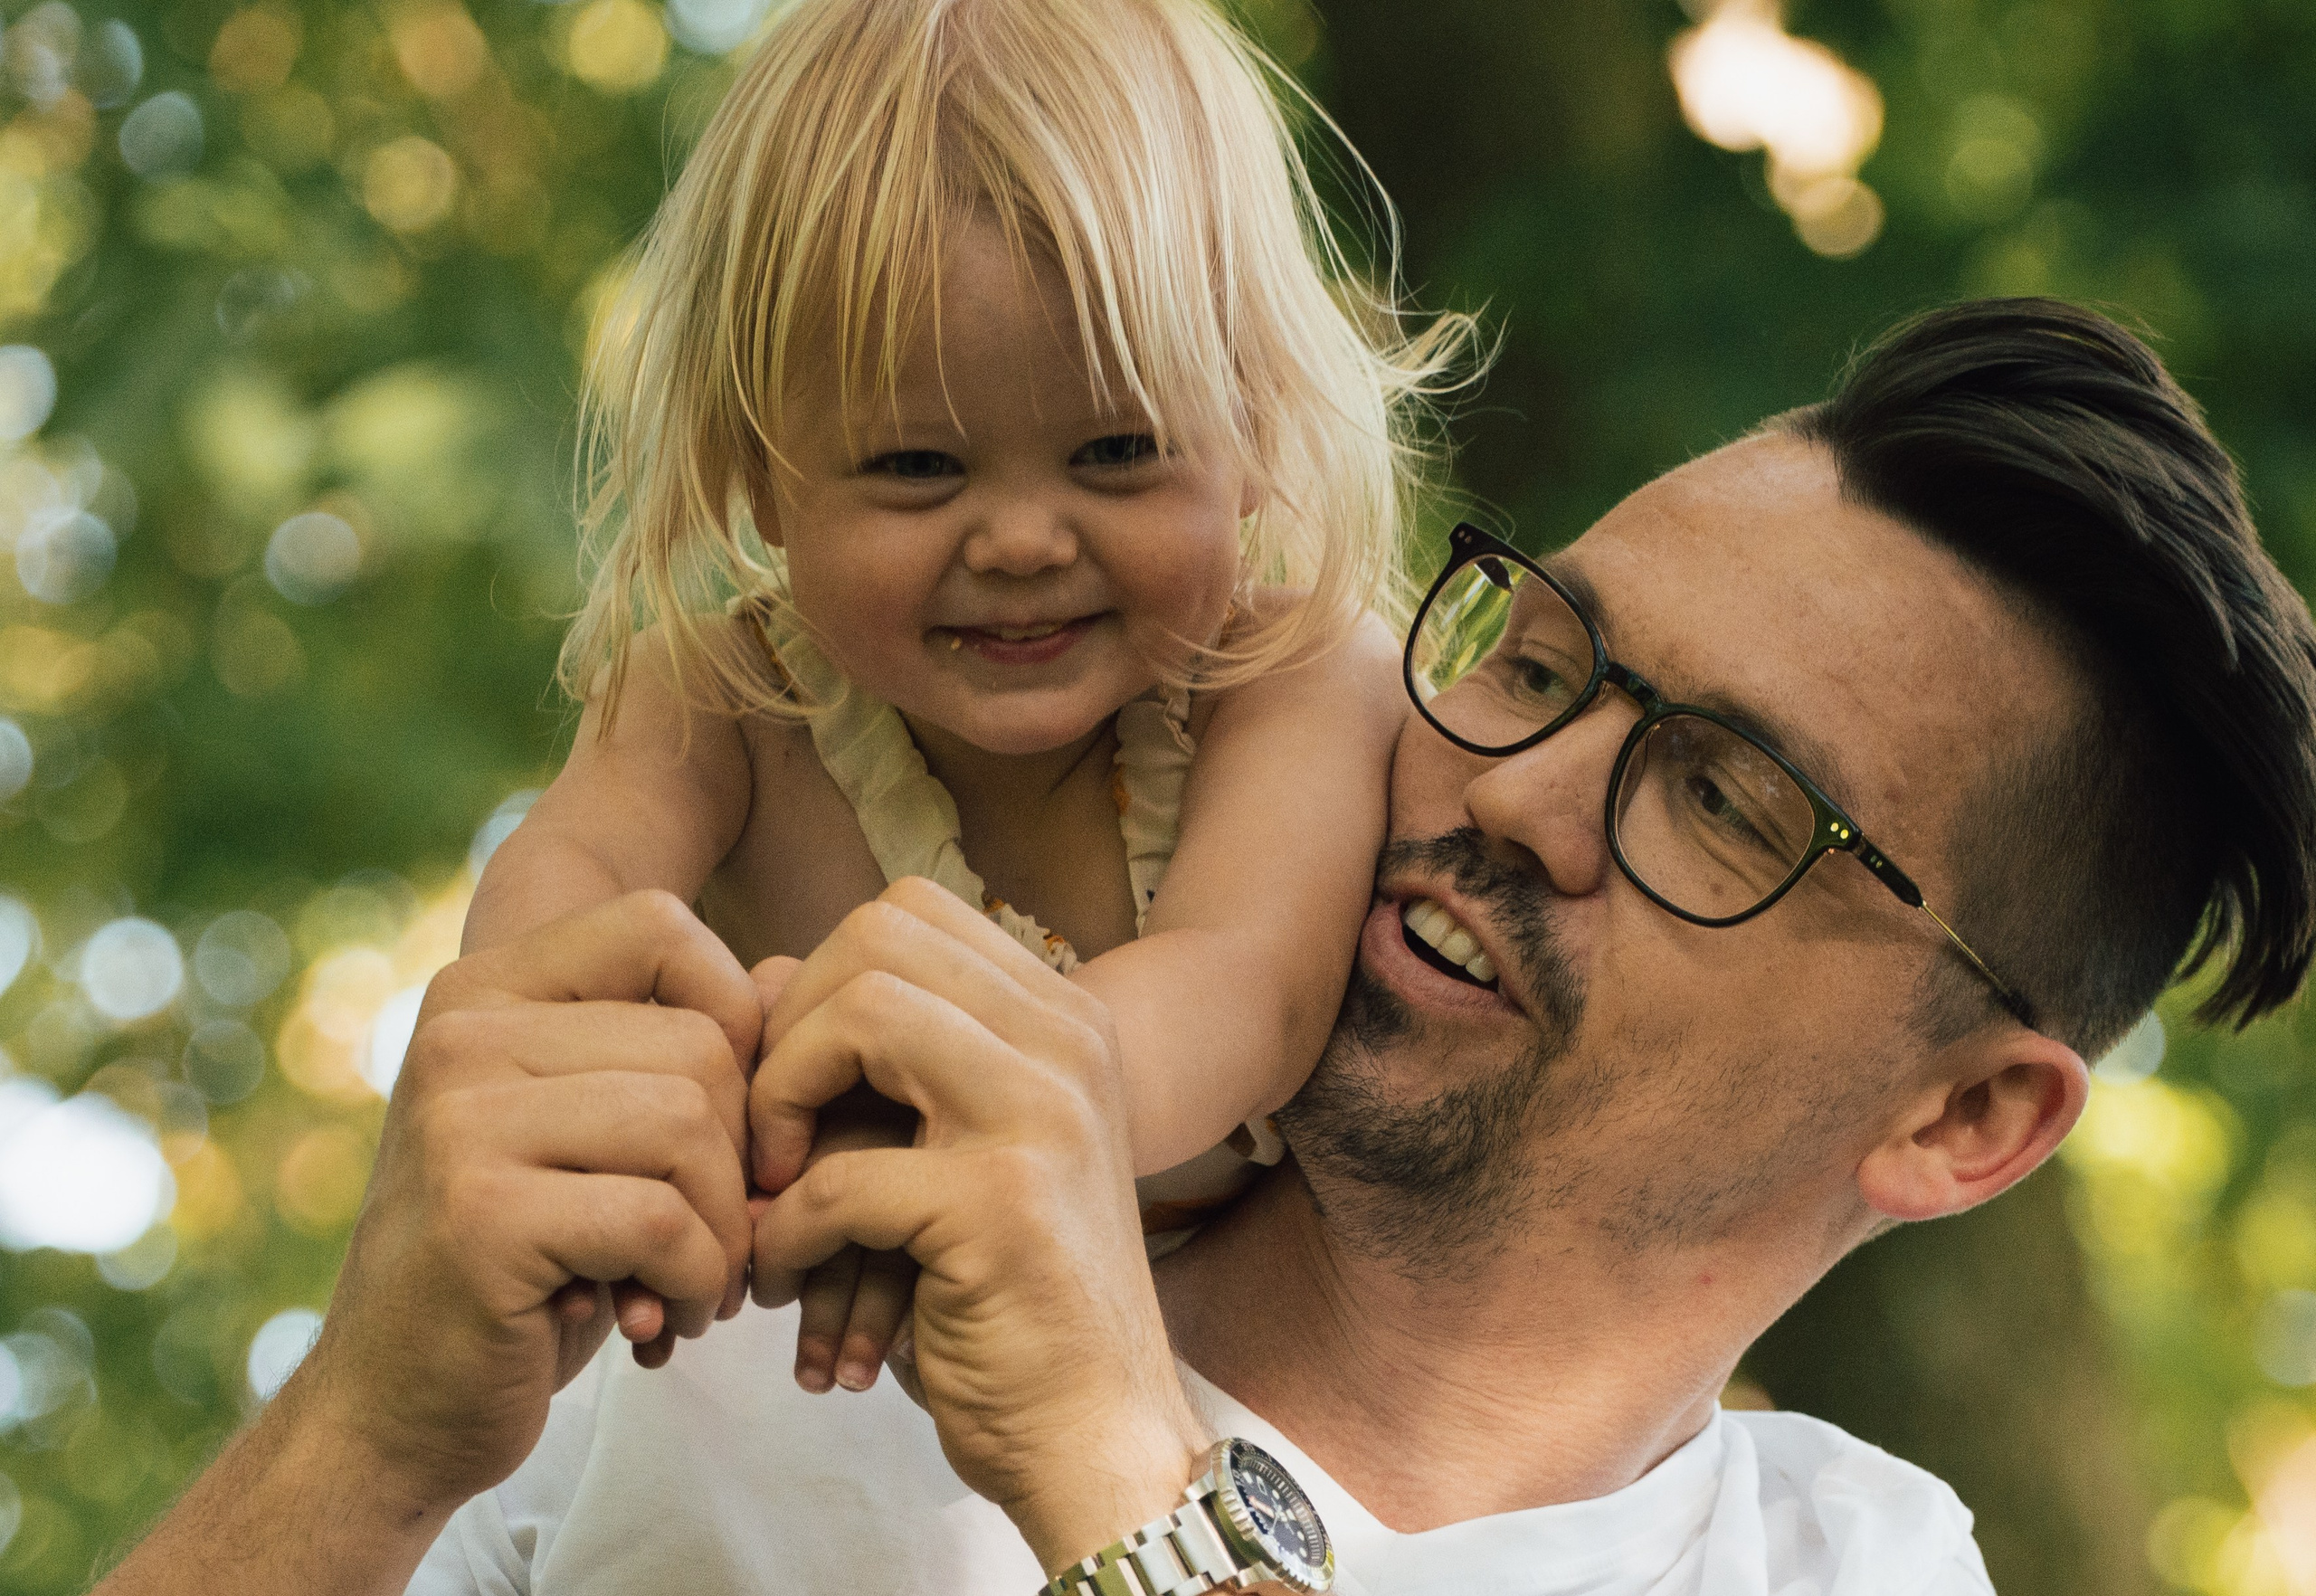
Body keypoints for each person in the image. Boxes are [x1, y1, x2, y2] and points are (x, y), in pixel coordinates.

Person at [92, 300, 2316, 1596]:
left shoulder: (1842, 1571)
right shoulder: (729, 1303)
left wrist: (1104, 1459)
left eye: (1726, 799)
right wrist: (360, 1443)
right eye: (1543, 655)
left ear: (1961, 1119)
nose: (1519, 790)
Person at [461, 0, 1471, 1383]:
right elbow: (557, 912)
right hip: (812, 1368)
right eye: (916, 469)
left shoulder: (1288, 680)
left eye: (1118, 450)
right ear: (760, 469)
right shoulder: (722, 704)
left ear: (1252, 432)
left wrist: (925, 1109)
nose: (1021, 542)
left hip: (1217, 1404)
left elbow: (1248, 987)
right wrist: (604, 1086)